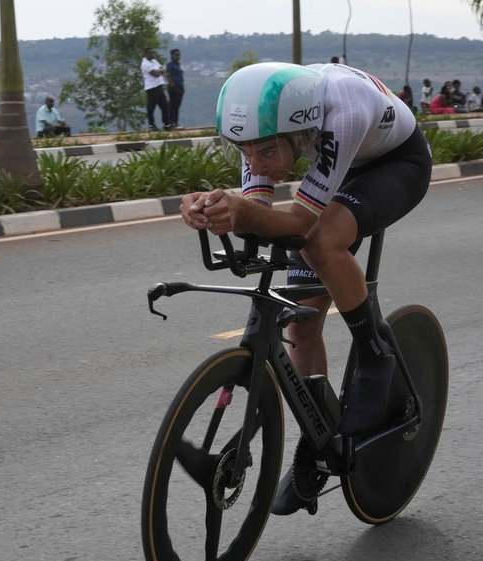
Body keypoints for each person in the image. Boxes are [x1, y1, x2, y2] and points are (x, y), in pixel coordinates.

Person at [183, 62, 432, 515]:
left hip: (396, 163)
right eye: (243, 151)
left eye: (265, 153)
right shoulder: (267, 127)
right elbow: (257, 214)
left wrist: (242, 213)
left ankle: (374, 354)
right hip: (341, 166)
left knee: (321, 241)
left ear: (300, 135)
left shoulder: (343, 113)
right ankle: (320, 440)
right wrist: (212, 210)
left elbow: (298, 223)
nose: (254, 164)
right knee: (301, 324)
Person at [141, 48, 171, 132]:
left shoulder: (154, 61)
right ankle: (152, 125)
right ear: (146, 54)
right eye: (150, 53)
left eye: (153, 53)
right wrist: (160, 71)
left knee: (165, 106)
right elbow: (156, 74)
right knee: (151, 107)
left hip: (159, 86)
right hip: (152, 88)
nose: (152, 55)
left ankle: (167, 124)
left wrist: (160, 70)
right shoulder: (145, 64)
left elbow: (163, 69)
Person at [166, 49, 185, 130]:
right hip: (174, 88)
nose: (178, 56)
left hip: (180, 87)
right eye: (176, 55)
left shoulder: (178, 65)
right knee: (172, 106)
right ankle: (172, 123)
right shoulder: (170, 65)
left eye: (179, 55)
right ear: (172, 56)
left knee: (177, 106)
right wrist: (172, 85)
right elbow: (168, 75)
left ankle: (176, 123)